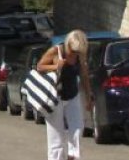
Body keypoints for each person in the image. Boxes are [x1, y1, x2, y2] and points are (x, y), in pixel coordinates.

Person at [36, 29, 92, 160]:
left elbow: (84, 75)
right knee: (56, 137)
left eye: (78, 52)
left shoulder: (80, 56)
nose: (74, 54)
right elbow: (40, 66)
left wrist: (89, 97)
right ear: (68, 45)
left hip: (72, 96)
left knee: (77, 129)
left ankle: (73, 156)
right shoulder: (56, 51)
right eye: (73, 51)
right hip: (55, 98)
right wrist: (56, 66)